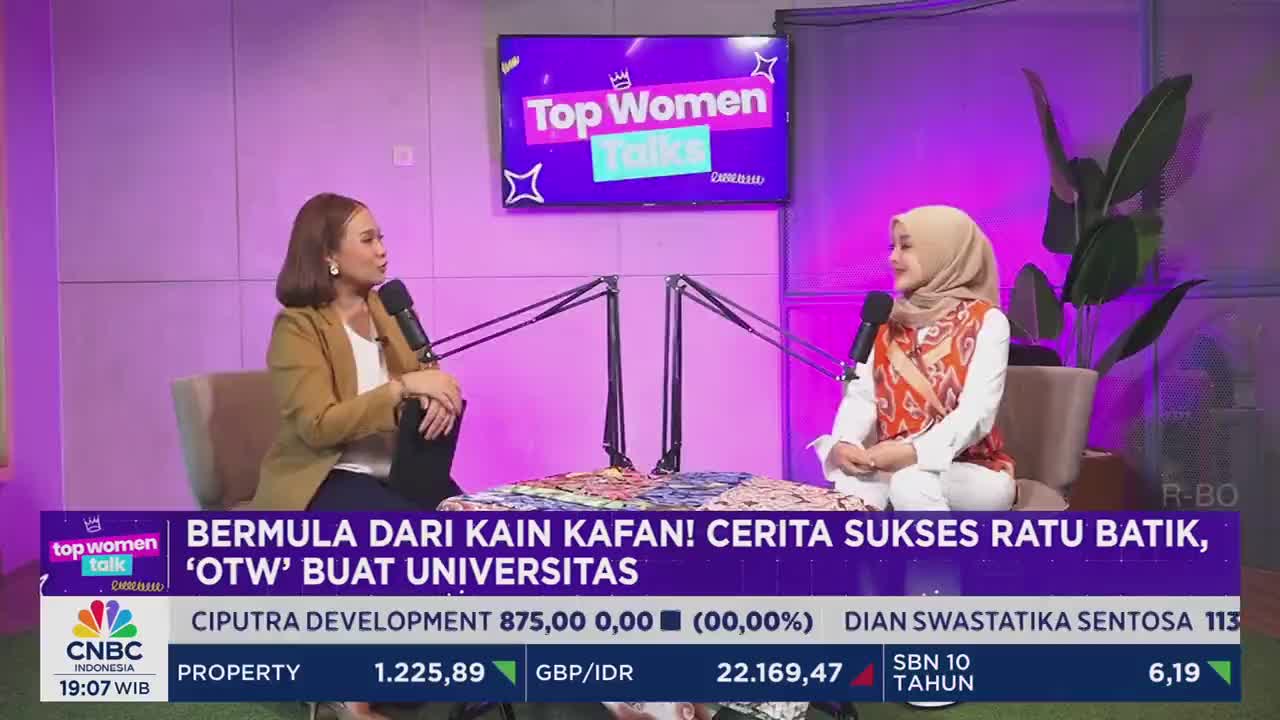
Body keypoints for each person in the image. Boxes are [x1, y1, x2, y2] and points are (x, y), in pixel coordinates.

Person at [253, 193, 463, 718]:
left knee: (487, 531)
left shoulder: (385, 310)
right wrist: (401, 390)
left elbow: (424, 374)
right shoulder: (297, 327)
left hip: (399, 473)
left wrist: (441, 396)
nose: (383, 251)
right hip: (326, 479)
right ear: (329, 254)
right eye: (368, 239)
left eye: (382, 237)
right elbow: (318, 426)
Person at [812, 205, 1015, 512]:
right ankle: (870, 562)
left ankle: (940, 562)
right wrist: (846, 442)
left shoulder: (986, 321)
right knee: (851, 486)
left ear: (943, 252)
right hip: (895, 464)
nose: (893, 258)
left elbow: (977, 414)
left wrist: (913, 452)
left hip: (973, 471)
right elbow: (863, 397)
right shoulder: (887, 320)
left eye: (906, 247)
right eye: (892, 247)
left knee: (912, 483)